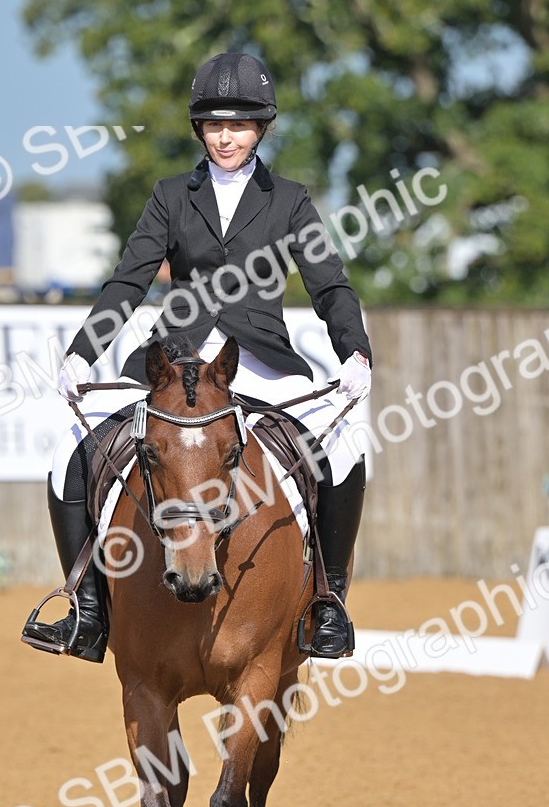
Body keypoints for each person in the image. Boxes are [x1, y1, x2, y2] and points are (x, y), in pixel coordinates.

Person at [23, 51, 372, 664]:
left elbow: (329, 284)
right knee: (66, 455)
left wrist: (355, 351)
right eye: (215, 125)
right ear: (200, 130)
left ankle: (329, 604)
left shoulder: (289, 200)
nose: (226, 136)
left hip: (257, 362)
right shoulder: (169, 196)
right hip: (175, 362)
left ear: (260, 127)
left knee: (348, 444)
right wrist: (82, 354)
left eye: (238, 125)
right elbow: (127, 283)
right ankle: (87, 610)